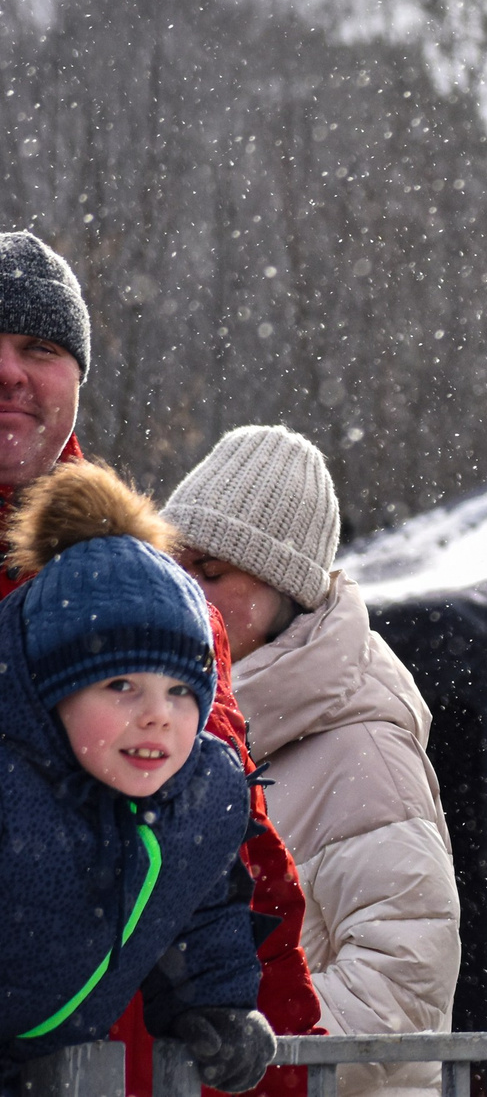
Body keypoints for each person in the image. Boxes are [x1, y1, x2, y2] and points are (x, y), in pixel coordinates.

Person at [0, 230, 323, 1097]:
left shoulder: (143, 582)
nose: (11, 373)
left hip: (107, 1058)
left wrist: (277, 1047)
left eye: (40, 348)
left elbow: (221, 839)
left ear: (77, 376)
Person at [167, 425, 461, 1097]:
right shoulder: (174, 719)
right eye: (172, 564)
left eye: (210, 572)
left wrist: (229, 1048)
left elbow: (402, 992)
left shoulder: (366, 746)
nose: (185, 591)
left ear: (286, 594)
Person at [0, 463, 274, 1094]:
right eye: (121, 685)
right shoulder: (13, 790)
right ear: (50, 691)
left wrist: (217, 1006)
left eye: (181, 691)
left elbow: (200, 908)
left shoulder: (202, 799)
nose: (157, 715)